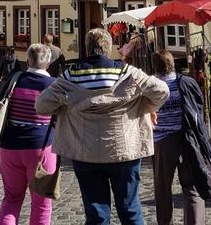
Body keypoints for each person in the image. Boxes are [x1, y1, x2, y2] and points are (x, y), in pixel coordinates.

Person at [36, 28, 169, 225]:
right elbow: (161, 90)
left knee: (96, 214)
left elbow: (41, 105)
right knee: (131, 210)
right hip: (125, 151)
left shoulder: (68, 77)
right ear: (108, 49)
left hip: (85, 152)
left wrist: (67, 105)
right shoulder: (129, 73)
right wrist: (145, 107)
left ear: (87, 48)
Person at [151, 50, 211, 225]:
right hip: (187, 140)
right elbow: (199, 108)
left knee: (162, 189)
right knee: (192, 188)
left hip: (162, 142)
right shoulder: (188, 82)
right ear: (173, 64)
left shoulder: (150, 85)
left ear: (155, 66)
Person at [0, 43, 56, 225]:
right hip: (40, 148)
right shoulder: (53, 85)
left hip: (10, 147)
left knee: (11, 200)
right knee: (41, 204)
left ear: (27, 60)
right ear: (48, 63)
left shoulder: (15, 79)